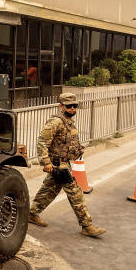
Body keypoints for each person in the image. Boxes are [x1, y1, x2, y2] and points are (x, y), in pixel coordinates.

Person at [28, 93, 106, 237]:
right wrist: (46, 162)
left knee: (49, 191)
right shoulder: (56, 122)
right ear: (61, 106)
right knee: (76, 193)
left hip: (63, 163)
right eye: (68, 106)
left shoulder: (68, 122)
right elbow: (42, 142)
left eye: (74, 106)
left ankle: (32, 214)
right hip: (58, 166)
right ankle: (87, 225)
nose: (72, 109)